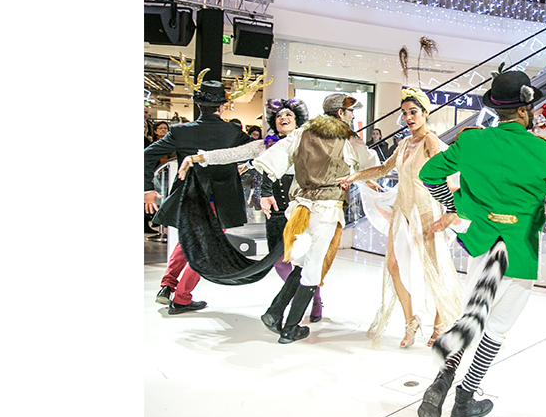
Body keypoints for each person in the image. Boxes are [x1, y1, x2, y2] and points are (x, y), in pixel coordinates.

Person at [414, 67, 546, 417]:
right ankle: (464, 398)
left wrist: (451, 207)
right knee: (494, 330)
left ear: (496, 108)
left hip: (481, 246)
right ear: (524, 110)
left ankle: (444, 379)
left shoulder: (472, 140)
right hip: (519, 252)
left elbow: (428, 174)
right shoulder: (541, 150)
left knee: (472, 317)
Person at [188, 93, 380, 343]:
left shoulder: (302, 134)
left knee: (299, 264)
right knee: (313, 267)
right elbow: (370, 164)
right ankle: (291, 328)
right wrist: (367, 177)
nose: (353, 117)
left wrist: (261, 187)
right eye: (351, 112)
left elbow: (268, 162)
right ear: (341, 113)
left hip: (298, 209)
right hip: (326, 210)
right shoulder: (348, 138)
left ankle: (274, 312)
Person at [179, 98, 328, 323]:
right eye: (279, 116)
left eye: (289, 115)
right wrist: (196, 158)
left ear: (297, 121)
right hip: (275, 213)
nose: (284, 118)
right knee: (279, 261)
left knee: (303, 260)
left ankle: (313, 298)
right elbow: (230, 154)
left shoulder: (309, 144)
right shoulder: (265, 146)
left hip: (301, 210)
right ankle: (304, 294)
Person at [339, 88, 465, 349]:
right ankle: (411, 322)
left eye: (413, 112)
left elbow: (448, 177)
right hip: (402, 212)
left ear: (425, 113)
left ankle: (440, 324)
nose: (409, 117)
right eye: (405, 113)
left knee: (435, 270)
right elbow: (385, 168)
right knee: (394, 265)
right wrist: (355, 176)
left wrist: (452, 210)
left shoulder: (431, 141)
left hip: (426, 211)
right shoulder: (404, 143)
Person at [144, 71, 256, 315]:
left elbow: (147, 155)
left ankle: (167, 286)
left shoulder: (181, 131)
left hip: (190, 197)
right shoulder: (233, 133)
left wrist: (147, 189)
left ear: (197, 104)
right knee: (206, 248)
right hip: (220, 200)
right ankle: (182, 298)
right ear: (222, 106)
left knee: (188, 241)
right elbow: (259, 152)